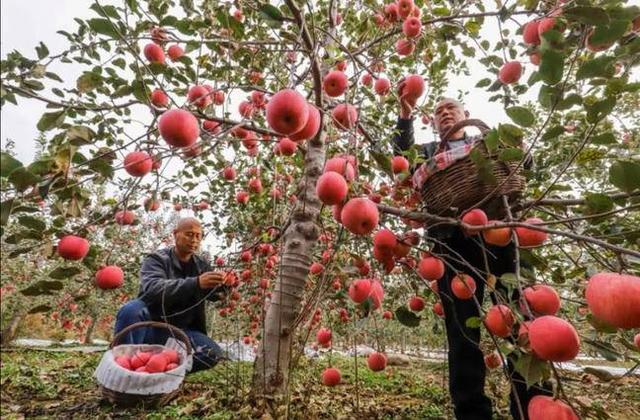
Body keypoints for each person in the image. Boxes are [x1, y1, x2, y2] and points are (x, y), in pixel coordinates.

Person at [392, 80, 551, 420]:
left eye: (451, 108)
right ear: (432, 123)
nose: (445, 113)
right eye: (438, 111)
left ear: (467, 116)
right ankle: (472, 413)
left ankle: (533, 407)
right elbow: (400, 160)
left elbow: (525, 163)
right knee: (463, 333)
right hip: (452, 244)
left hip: (501, 238)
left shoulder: (486, 143)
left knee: (523, 322)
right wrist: (405, 112)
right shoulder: (429, 152)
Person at [114, 217, 229, 373]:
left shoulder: (202, 265)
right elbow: (153, 288)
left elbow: (213, 295)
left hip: (181, 332)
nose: (194, 240)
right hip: (150, 327)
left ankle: (164, 374)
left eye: (198, 236)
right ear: (176, 234)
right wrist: (196, 283)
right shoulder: (157, 259)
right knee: (131, 310)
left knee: (211, 353)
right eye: (189, 234)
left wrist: (225, 286)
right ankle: (122, 370)